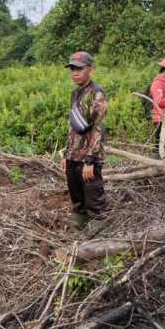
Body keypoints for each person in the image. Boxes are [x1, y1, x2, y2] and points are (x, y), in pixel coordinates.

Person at [59, 51, 108, 230]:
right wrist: (66, 154)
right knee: (77, 198)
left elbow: (98, 128)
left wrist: (90, 159)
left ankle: (100, 245)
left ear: (90, 70)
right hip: (74, 156)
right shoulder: (76, 93)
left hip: (88, 157)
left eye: (79, 69)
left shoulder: (97, 93)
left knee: (94, 200)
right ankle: (78, 233)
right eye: (72, 69)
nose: (75, 73)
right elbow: (73, 127)